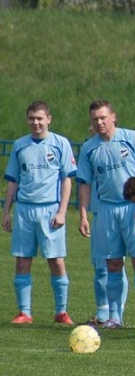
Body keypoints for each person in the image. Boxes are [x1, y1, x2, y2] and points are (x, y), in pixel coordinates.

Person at [77, 100, 135, 329]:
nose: (99, 122)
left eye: (103, 117)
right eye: (95, 119)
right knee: (112, 264)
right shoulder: (89, 149)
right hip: (106, 210)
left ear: (113, 117)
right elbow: (84, 183)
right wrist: (83, 214)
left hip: (132, 209)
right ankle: (115, 317)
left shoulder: (131, 138)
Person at [3, 101, 77, 325]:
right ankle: (24, 312)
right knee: (23, 261)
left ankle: (61, 312)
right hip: (25, 209)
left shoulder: (60, 143)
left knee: (56, 261)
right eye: (32, 118)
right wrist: (7, 211)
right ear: (27, 120)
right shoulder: (19, 146)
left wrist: (62, 211)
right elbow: (13, 181)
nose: (36, 122)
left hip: (50, 209)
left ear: (49, 119)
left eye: (40, 118)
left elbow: (67, 179)